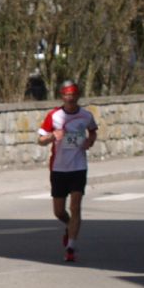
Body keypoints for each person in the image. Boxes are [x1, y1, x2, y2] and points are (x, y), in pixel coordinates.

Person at [37, 80, 99, 263]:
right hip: (58, 168)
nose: (70, 98)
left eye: (73, 95)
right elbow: (40, 140)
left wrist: (90, 141)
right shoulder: (54, 116)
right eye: (66, 95)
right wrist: (52, 136)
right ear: (62, 96)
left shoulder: (86, 115)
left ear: (78, 96)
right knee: (59, 212)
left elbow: (93, 131)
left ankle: (71, 247)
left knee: (75, 207)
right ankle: (70, 225)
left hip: (78, 167)